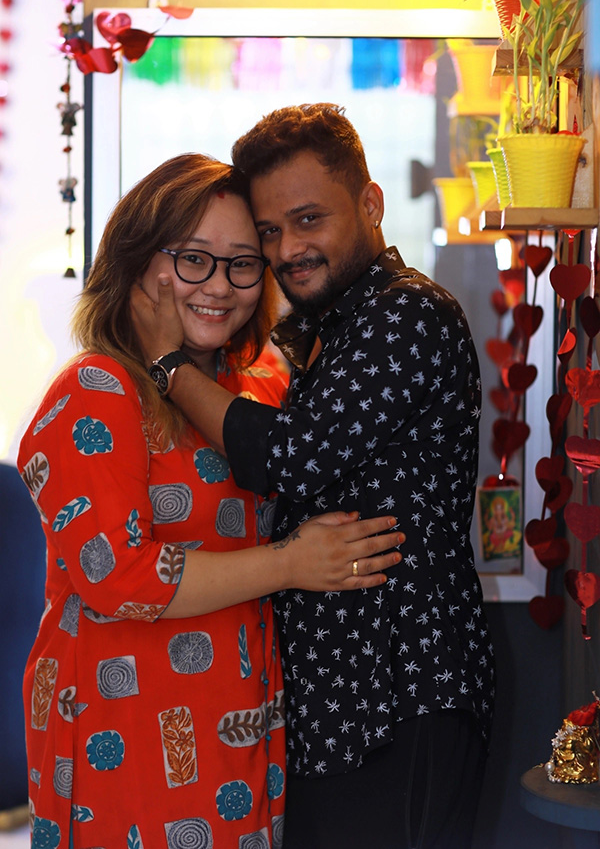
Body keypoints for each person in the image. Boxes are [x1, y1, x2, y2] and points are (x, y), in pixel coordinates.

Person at [131, 106, 496, 849]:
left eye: (308, 220)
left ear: (370, 204)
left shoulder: (408, 314)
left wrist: (168, 364)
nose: (287, 250)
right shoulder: (330, 329)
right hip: (341, 706)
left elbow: (288, 459)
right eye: (270, 232)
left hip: (402, 692)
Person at [17, 152, 404, 849]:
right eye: (194, 259)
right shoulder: (98, 390)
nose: (220, 286)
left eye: (242, 263)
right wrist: (290, 563)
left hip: (243, 722)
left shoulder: (248, 388)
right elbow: (117, 575)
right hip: (125, 731)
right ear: (138, 260)